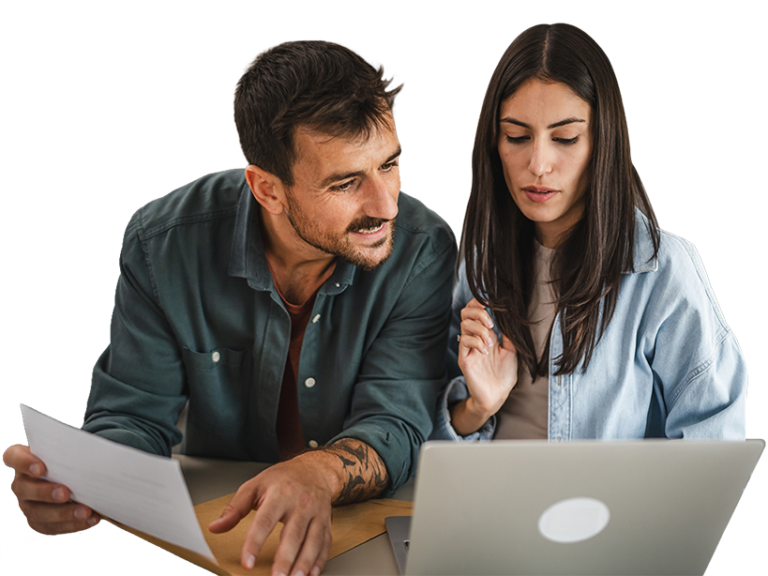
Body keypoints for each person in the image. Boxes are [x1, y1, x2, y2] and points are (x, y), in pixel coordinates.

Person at [3, 40, 456, 576]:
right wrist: (83, 483)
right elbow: (132, 414)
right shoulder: (161, 244)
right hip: (218, 533)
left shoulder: (423, 247)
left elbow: (398, 421)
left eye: (390, 164)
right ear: (267, 189)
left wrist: (317, 474)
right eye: (346, 182)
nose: (385, 205)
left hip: (365, 532)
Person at [432, 22, 747, 442]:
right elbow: (425, 444)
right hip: (491, 507)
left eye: (565, 138)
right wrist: (477, 407)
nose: (538, 164)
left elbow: (714, 446)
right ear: (494, 143)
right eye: (517, 136)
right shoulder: (477, 267)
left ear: (603, 142)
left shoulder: (662, 272)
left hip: (617, 510)